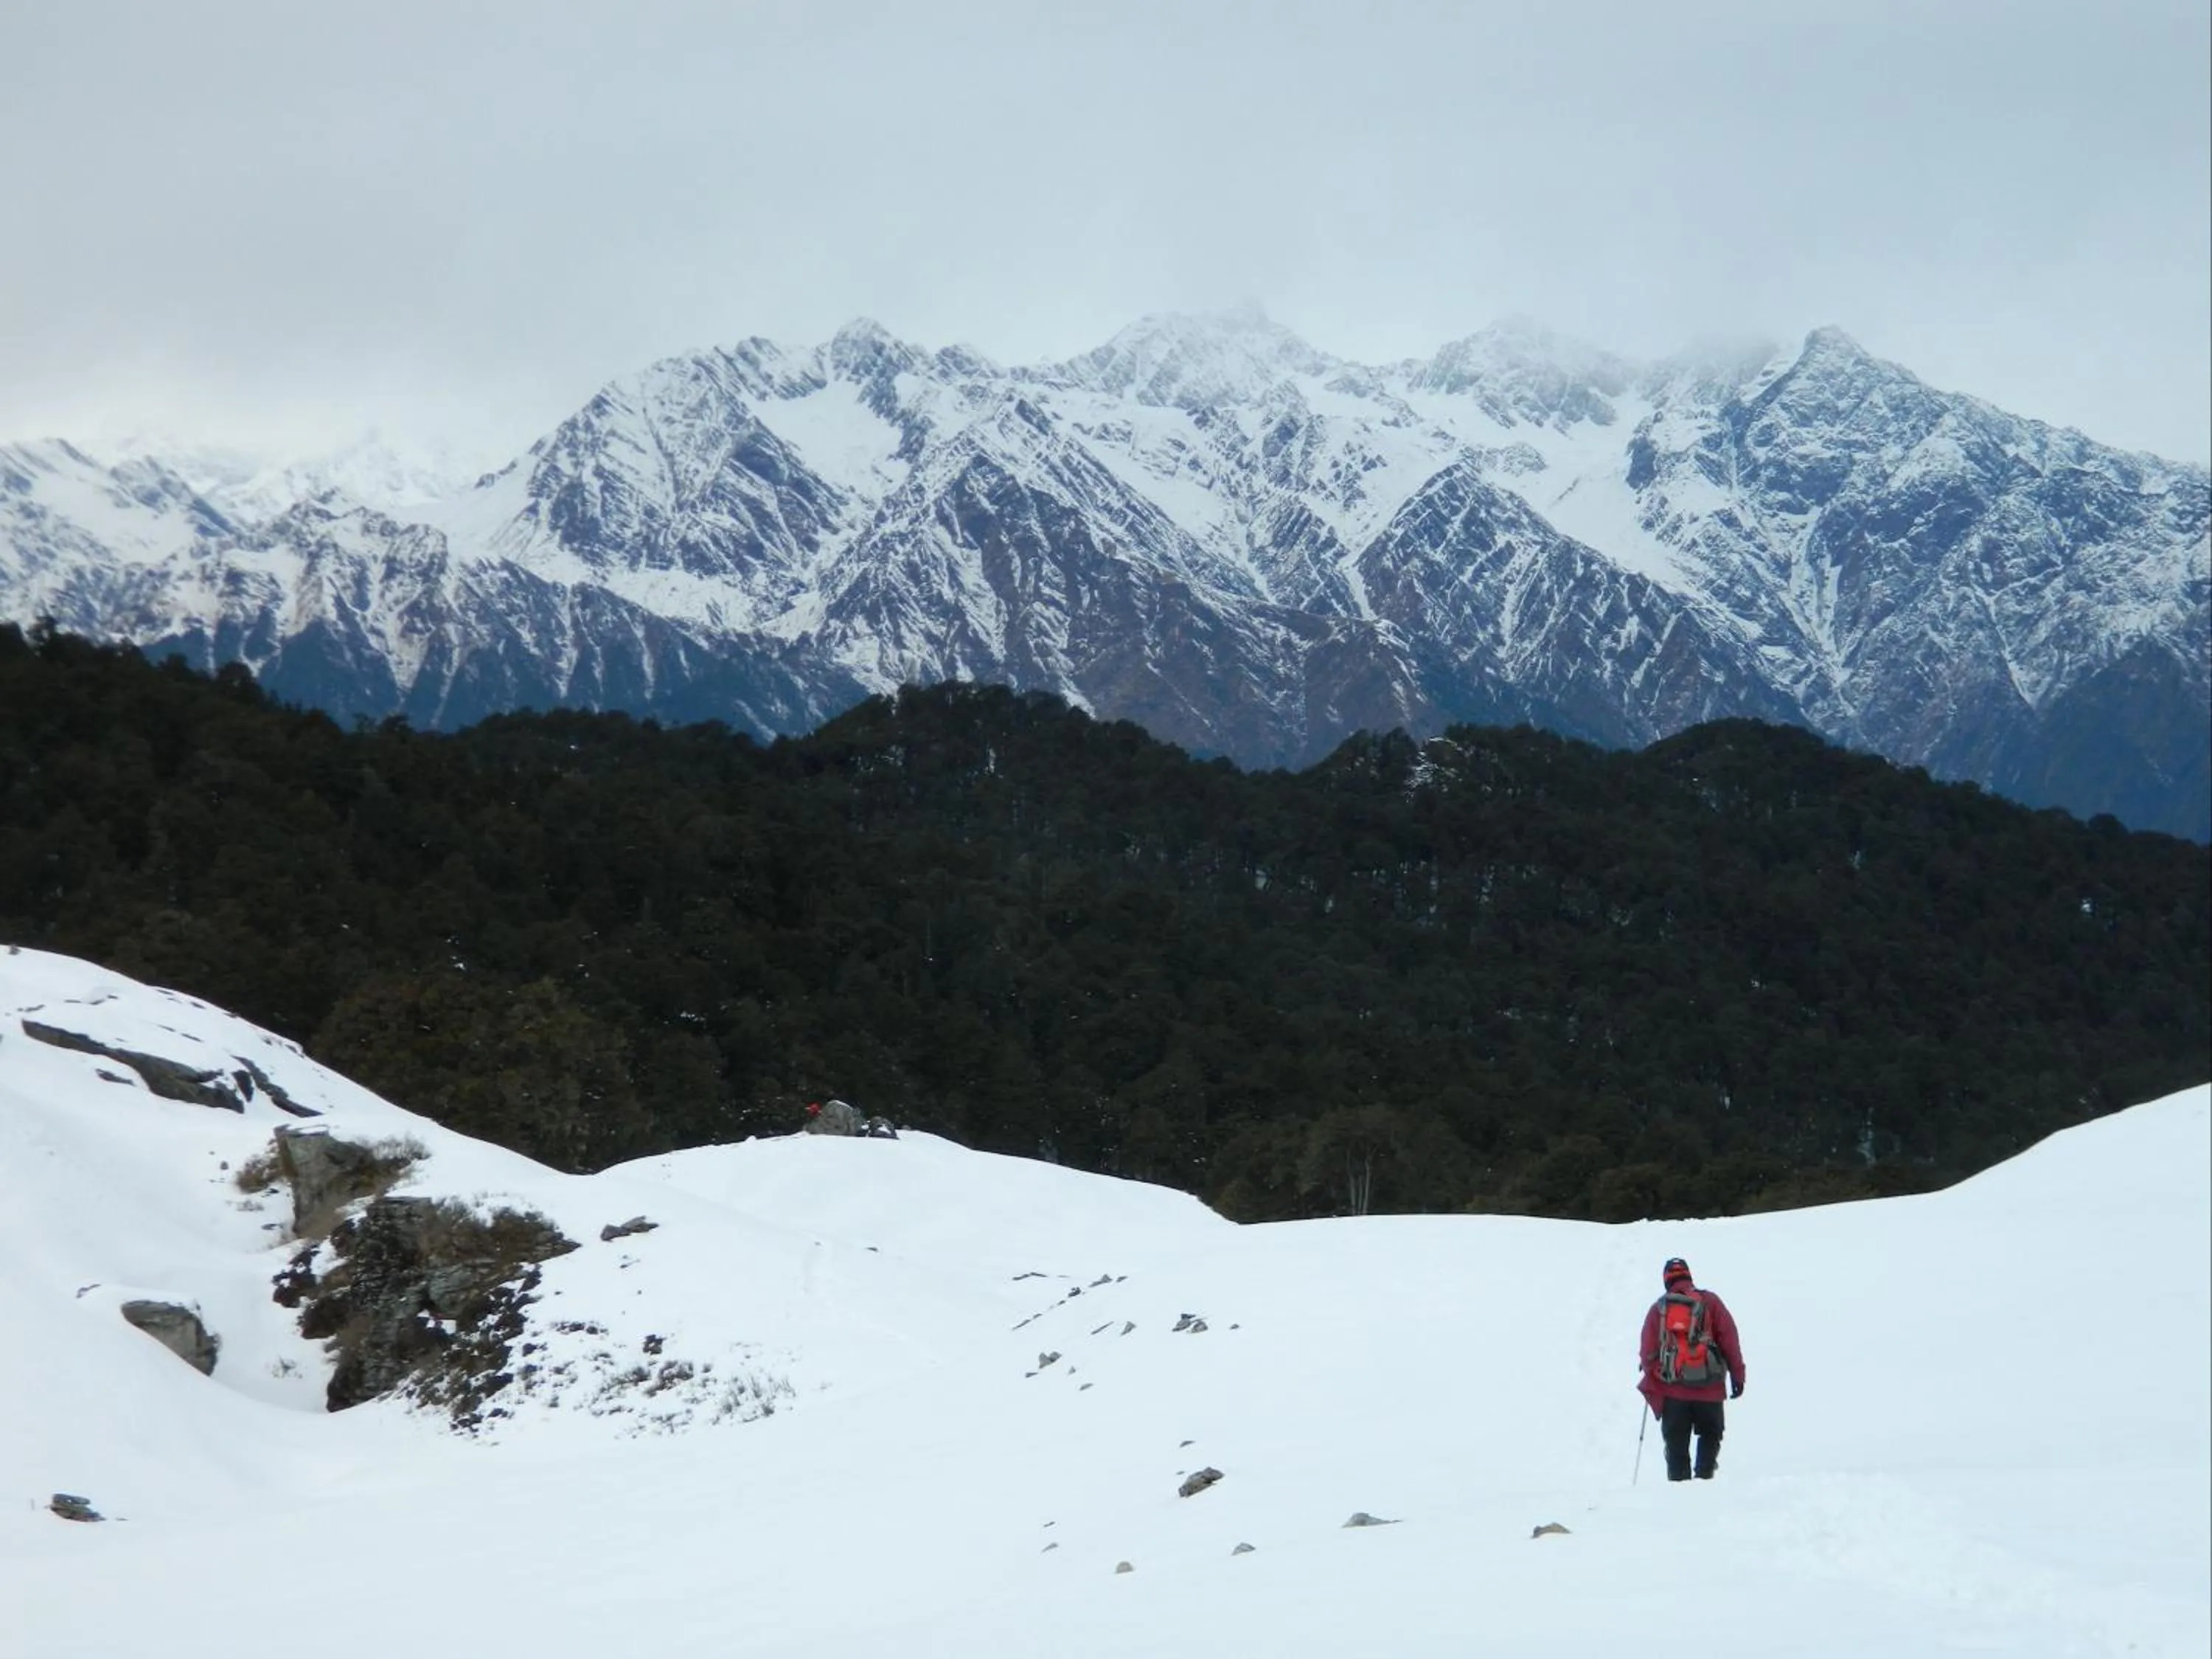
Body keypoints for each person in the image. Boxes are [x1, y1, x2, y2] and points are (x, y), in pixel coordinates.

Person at [1638, 1256, 1745, 1481]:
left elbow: (1647, 1352)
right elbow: (1730, 1339)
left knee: (1676, 1448)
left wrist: (1655, 1375)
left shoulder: (1659, 1309)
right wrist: (1738, 1374)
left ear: (1666, 1280)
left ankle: (1679, 1490)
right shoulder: (1710, 1302)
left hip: (1673, 1393)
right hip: (1710, 1388)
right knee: (1710, 1436)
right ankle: (1704, 1481)